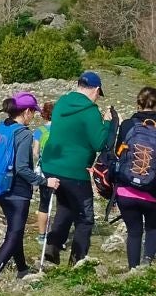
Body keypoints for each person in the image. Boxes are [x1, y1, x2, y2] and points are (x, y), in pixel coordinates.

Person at [40, 72, 112, 268]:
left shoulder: (62, 103)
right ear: (96, 90)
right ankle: (77, 261)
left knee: (64, 208)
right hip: (75, 171)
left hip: (51, 166)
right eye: (98, 94)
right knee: (85, 217)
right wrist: (107, 123)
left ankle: (51, 250)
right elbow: (99, 143)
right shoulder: (91, 111)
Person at [111, 88, 156, 268]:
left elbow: (118, 153)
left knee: (134, 232)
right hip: (154, 194)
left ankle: (132, 270)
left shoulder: (127, 125)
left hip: (126, 191)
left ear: (138, 103)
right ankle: (146, 266)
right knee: (153, 230)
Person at [0, 93, 42, 279]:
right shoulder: (24, 134)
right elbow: (23, 168)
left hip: (1, 188)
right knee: (15, 232)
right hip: (18, 192)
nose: (34, 116)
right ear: (26, 111)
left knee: (14, 229)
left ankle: (22, 269)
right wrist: (43, 181)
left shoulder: (1, 127)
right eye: (33, 112)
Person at [33, 99, 56, 257]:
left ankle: (42, 236)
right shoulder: (61, 130)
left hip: (44, 170)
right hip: (61, 169)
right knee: (62, 203)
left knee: (44, 203)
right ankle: (58, 235)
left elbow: (35, 152)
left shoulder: (39, 131)